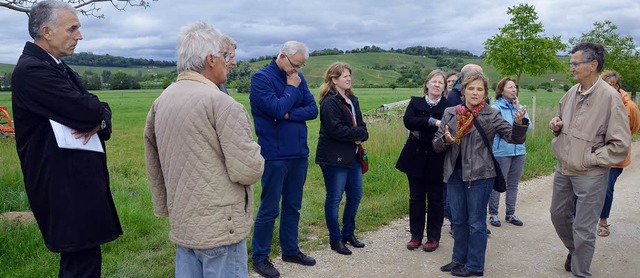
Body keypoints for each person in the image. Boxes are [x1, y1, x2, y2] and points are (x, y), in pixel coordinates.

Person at [144, 22, 264, 278]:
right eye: (225, 56)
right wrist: (256, 152)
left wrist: (164, 206)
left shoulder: (162, 100)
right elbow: (248, 170)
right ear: (211, 59)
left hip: (185, 222)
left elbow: (154, 164)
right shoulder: (222, 103)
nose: (227, 62)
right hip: (221, 226)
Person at [11, 1, 122, 276]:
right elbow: (88, 111)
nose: (79, 36)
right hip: (62, 187)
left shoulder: (55, 65)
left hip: (75, 185)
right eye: (72, 29)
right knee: (79, 265)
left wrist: (100, 115)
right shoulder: (32, 71)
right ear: (46, 32)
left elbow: (98, 110)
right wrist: (97, 113)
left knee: (86, 258)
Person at [433, 72, 529, 277]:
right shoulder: (450, 113)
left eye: (479, 89)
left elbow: (513, 138)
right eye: (471, 88)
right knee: (458, 220)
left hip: (480, 176)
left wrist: (519, 124)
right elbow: (436, 143)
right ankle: (458, 260)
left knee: (476, 222)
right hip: (454, 174)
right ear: (463, 91)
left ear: (485, 93)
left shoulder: (491, 114)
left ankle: (475, 265)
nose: (475, 93)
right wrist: (447, 140)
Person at [549, 42, 630, 277]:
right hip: (564, 168)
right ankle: (576, 252)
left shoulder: (610, 98)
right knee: (557, 215)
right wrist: (556, 125)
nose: (571, 67)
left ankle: (580, 272)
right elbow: (562, 119)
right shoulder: (571, 93)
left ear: (592, 65)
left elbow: (620, 146)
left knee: (583, 228)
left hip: (591, 174)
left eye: (575, 63)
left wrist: (589, 159)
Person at [249, 41, 319, 278]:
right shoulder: (261, 79)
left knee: (293, 206)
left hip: (299, 153)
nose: (296, 70)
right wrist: (290, 91)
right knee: (269, 208)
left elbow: (312, 109)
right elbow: (275, 110)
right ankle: (260, 257)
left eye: (301, 66)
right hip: (275, 155)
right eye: (294, 65)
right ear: (281, 56)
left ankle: (290, 250)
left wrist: (289, 113)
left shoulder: (298, 77)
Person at [396, 69, 452, 252]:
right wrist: (433, 122)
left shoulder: (448, 106)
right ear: (427, 84)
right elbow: (408, 122)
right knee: (416, 198)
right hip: (416, 157)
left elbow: (449, 128)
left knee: (436, 200)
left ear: (444, 88)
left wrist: (422, 124)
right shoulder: (415, 102)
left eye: (440, 83)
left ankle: (433, 238)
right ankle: (416, 236)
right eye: (433, 81)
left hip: (438, 157)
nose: (437, 85)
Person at [316, 62, 369, 255]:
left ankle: (348, 233)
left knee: (355, 195)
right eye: (345, 76)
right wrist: (358, 134)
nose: (349, 79)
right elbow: (335, 130)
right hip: (333, 157)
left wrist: (359, 133)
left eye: (349, 75)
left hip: (353, 156)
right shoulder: (329, 102)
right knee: (334, 198)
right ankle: (335, 239)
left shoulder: (352, 99)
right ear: (334, 79)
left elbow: (363, 127)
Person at [596, 70, 640, 237]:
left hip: (615, 158)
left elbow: (633, 127)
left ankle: (603, 221)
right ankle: (579, 218)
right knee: (587, 186)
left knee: (607, 188)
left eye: (609, 86)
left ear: (616, 86)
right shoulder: (598, 102)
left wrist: (620, 142)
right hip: (597, 155)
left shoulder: (630, 107)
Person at [488, 77, 532, 227]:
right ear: (501, 91)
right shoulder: (496, 108)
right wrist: (516, 123)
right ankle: (493, 214)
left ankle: (510, 214)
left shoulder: (519, 108)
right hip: (502, 152)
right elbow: (502, 129)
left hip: (519, 151)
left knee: (513, 184)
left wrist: (519, 111)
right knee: (499, 184)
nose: (514, 90)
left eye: (515, 87)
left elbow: (529, 127)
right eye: (510, 87)